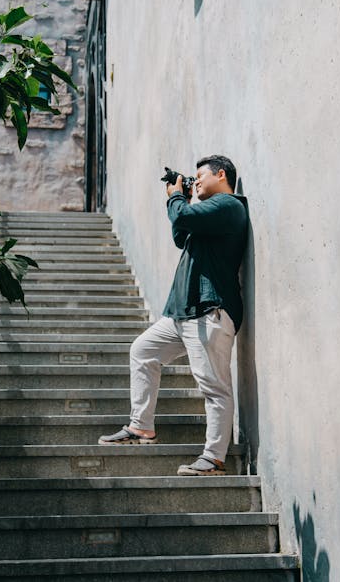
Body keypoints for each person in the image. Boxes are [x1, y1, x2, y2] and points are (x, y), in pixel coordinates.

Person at [98, 154, 248, 475]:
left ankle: (213, 458)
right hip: (182, 312)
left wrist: (178, 197)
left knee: (213, 386)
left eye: (199, 176)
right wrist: (185, 198)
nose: (195, 181)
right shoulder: (206, 214)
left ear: (221, 175)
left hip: (210, 310)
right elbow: (181, 233)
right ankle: (141, 426)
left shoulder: (229, 206)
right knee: (142, 351)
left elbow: (181, 218)